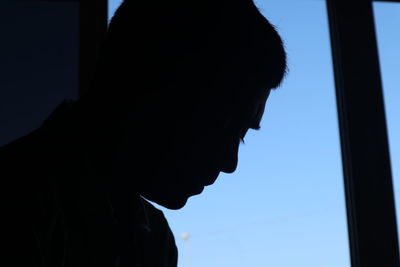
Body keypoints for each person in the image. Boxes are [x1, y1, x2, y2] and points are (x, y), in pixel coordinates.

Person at [2, 0, 287, 266]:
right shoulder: (19, 201)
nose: (229, 162)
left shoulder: (156, 238)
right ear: (143, 82)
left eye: (241, 134)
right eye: (219, 123)